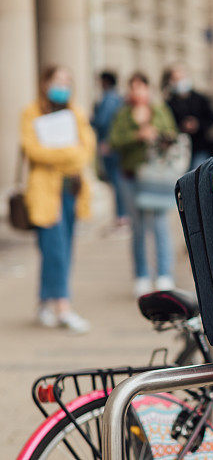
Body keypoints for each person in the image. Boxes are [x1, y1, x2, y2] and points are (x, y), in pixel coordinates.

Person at [20, 65, 95, 333]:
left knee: (64, 247)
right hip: (44, 192)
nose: (63, 85)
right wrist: (67, 152)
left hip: (71, 192)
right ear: (45, 82)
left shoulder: (76, 112)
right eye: (57, 80)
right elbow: (33, 151)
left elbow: (85, 151)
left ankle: (44, 302)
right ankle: (63, 307)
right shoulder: (32, 112)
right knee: (54, 250)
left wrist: (58, 152)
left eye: (67, 80)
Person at [109, 72, 178, 298]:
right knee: (137, 229)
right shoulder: (122, 114)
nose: (137, 92)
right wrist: (136, 135)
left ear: (148, 89)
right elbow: (114, 141)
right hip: (130, 177)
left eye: (141, 87)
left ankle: (164, 274)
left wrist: (157, 135)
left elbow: (172, 135)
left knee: (159, 226)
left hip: (155, 178)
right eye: (133, 87)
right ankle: (141, 275)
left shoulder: (159, 110)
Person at [90, 70, 127, 226]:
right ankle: (122, 214)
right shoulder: (116, 98)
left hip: (110, 146)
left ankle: (121, 215)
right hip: (114, 145)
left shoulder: (109, 99)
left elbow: (102, 122)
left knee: (117, 181)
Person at [167, 64, 213, 168]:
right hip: (179, 150)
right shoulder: (169, 103)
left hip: (201, 147)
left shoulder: (200, 99)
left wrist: (197, 124)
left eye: (181, 78)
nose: (180, 81)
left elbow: (211, 119)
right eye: (176, 79)